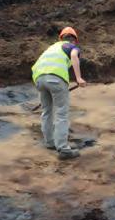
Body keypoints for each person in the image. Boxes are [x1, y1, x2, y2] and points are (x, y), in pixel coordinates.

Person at [32, 27, 87, 160]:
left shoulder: (51, 48)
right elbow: (74, 56)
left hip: (39, 79)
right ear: (74, 40)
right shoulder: (71, 47)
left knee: (46, 111)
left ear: (60, 38)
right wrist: (78, 78)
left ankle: (50, 142)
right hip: (56, 79)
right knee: (62, 113)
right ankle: (63, 148)